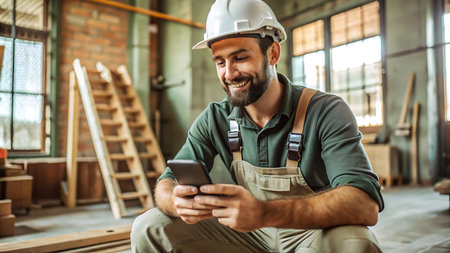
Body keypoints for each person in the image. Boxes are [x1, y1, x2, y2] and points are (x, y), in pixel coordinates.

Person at [131, 0, 384, 252]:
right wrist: (176, 200)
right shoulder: (215, 119)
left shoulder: (326, 111)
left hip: (311, 232)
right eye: (220, 61)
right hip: (247, 233)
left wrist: (264, 212)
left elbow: (364, 203)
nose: (229, 73)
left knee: (355, 244)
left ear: (273, 53)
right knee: (149, 226)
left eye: (240, 57)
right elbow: (167, 182)